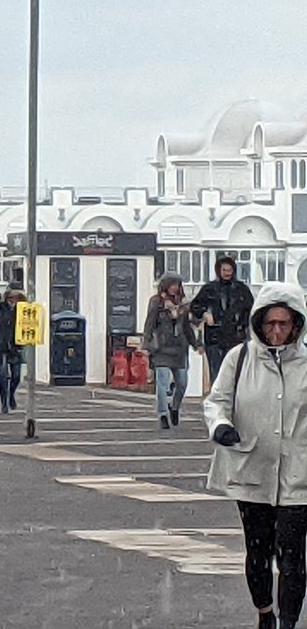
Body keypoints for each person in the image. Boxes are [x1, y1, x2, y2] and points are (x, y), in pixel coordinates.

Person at [203, 282, 307, 629]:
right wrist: (220, 425)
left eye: (284, 323)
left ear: (296, 324)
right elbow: (216, 400)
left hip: (299, 474)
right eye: (270, 324)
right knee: (259, 552)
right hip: (253, 470)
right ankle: (265, 611)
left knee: (293, 557)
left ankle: (289, 623)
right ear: (258, 323)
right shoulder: (240, 358)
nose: (277, 331)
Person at [143, 273, 203, 429]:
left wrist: (195, 344)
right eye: (172, 284)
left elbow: (187, 327)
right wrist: (147, 344)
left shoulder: (183, 304)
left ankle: (174, 407)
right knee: (162, 383)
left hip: (179, 349)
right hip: (161, 348)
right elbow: (150, 323)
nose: (174, 288)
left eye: (177, 284)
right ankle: (162, 414)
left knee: (182, 383)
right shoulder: (156, 302)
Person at [191, 255, 254, 384]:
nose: (227, 273)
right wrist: (204, 314)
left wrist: (245, 328)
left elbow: (251, 310)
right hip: (214, 338)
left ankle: (234, 401)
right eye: (224, 270)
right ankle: (218, 401)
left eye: (229, 270)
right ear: (218, 271)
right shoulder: (209, 289)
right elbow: (194, 306)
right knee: (217, 373)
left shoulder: (242, 290)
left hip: (236, 337)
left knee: (235, 373)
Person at [0, 290, 27, 414]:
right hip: (1, 345)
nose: (13, 300)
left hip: (16, 345)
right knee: (2, 376)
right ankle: (4, 402)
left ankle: (11, 395)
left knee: (16, 376)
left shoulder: (23, 309)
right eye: (11, 298)